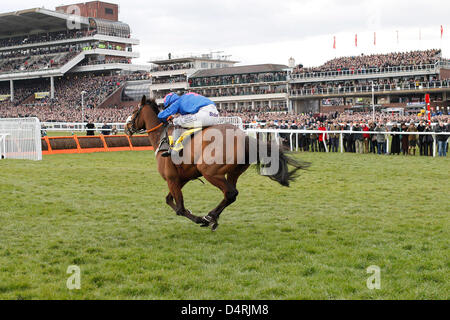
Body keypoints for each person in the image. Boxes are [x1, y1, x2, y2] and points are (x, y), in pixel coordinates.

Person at [157, 92, 220, 157]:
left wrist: (164, 120)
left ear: (171, 103)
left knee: (176, 120)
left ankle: (176, 147)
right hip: (216, 115)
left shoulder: (177, 102)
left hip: (204, 115)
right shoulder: (186, 98)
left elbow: (162, 116)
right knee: (182, 120)